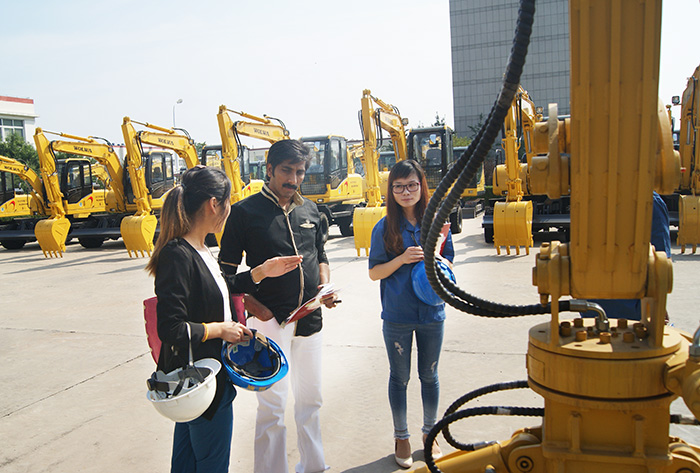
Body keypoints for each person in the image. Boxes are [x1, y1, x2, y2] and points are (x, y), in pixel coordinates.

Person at [145, 165, 302, 473]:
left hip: (206, 379)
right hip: (201, 380)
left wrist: (260, 271)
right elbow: (171, 327)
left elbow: (218, 288)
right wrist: (221, 329)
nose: (229, 210)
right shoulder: (178, 254)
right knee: (211, 464)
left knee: (187, 462)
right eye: (228, 202)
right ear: (214, 204)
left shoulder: (200, 248)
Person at [219, 140, 339, 473]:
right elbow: (224, 275)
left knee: (311, 400)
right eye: (286, 170)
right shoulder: (244, 213)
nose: (294, 179)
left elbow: (322, 257)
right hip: (269, 324)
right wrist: (258, 308)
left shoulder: (312, 211)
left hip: (310, 319)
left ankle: (314, 466)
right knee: (273, 406)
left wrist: (325, 286)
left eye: (300, 171)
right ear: (269, 169)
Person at [368, 160, 454, 469]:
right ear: (391, 190)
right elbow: (374, 273)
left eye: (412, 185)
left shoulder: (436, 222)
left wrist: (435, 258)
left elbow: (451, 264)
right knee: (400, 377)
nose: (406, 192)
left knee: (429, 375)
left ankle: (430, 433)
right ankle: (401, 436)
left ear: (422, 186)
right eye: (399, 186)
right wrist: (403, 259)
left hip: (432, 312)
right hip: (398, 315)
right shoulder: (384, 227)